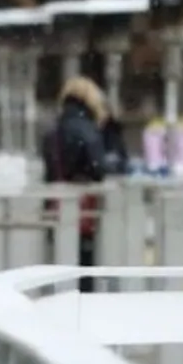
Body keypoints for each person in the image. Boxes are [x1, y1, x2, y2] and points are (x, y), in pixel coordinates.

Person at [40, 76, 108, 293]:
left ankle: (62, 304)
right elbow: (98, 168)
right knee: (86, 267)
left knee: (61, 262)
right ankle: (82, 308)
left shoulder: (54, 130)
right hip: (85, 209)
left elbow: (50, 172)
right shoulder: (87, 129)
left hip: (56, 206)